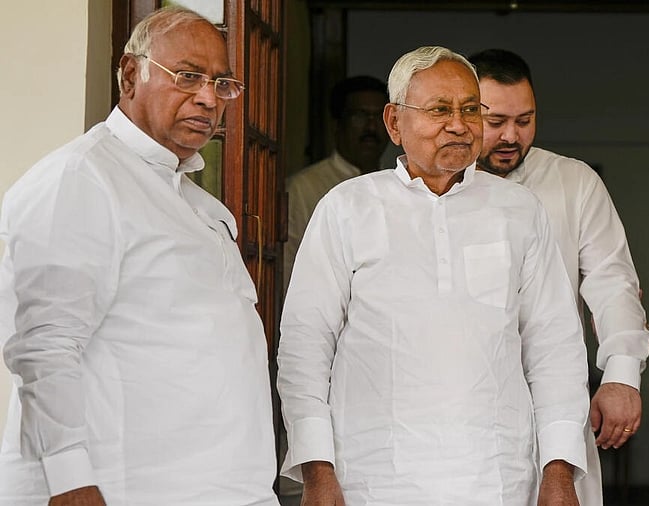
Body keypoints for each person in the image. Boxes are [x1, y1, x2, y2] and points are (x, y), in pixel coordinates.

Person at [277, 45, 589, 505]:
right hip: (373, 477)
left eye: (470, 109)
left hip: (496, 478)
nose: (459, 124)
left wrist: (559, 471)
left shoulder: (518, 211)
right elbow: (305, 345)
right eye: (440, 110)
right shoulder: (348, 208)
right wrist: (317, 470)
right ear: (394, 123)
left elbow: (555, 346)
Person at [0, 7, 278, 506]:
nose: (208, 98)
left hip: (219, 489)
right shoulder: (82, 179)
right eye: (188, 76)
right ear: (131, 74)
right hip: (122, 490)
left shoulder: (201, 205)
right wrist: (69, 483)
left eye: (221, 83)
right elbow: (44, 346)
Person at [469, 48, 649, 505]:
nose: (512, 135)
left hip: (556, 410)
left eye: (525, 120)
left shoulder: (574, 182)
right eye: (496, 122)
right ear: (465, 113)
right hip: (460, 414)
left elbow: (612, 283)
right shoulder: (432, 188)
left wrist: (622, 374)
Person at [284, 76, 390, 285]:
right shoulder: (304, 188)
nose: (371, 127)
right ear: (337, 124)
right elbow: (289, 267)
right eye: (360, 116)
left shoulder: (397, 187)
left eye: (379, 116)